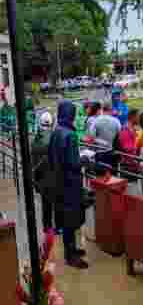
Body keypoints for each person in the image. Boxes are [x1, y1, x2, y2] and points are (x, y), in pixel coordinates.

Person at [48, 101, 89, 269]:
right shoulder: (70, 135)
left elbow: (51, 156)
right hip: (71, 184)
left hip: (59, 181)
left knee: (66, 219)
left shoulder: (56, 131)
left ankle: (71, 249)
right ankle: (70, 256)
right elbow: (73, 162)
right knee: (71, 219)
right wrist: (85, 159)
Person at [32, 112, 56, 233]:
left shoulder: (36, 139)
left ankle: (47, 227)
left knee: (45, 204)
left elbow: (33, 161)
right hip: (53, 175)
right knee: (57, 202)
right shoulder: (54, 137)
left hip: (41, 177)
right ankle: (57, 227)